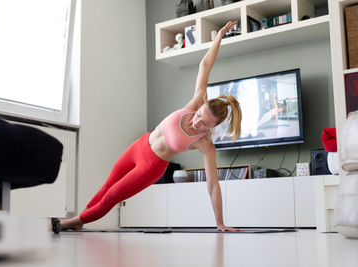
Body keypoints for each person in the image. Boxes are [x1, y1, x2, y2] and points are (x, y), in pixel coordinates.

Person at [52, 21, 243, 233]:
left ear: (214, 126)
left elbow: (213, 185)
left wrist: (220, 222)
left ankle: (66, 223)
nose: (197, 121)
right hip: (141, 144)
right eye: (199, 115)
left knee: (114, 195)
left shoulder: (205, 144)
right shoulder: (197, 100)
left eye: (204, 123)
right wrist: (221, 35)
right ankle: (82, 219)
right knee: (107, 186)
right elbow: (205, 65)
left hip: (151, 166)